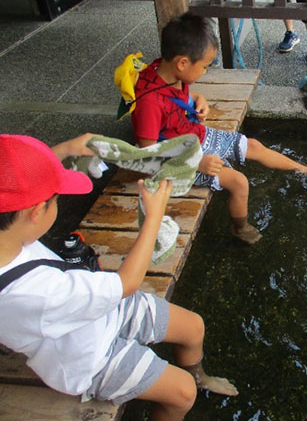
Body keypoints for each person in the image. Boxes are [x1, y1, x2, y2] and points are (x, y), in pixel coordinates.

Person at [0, 133, 238, 421]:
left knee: (193, 327)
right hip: (84, 356)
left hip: (93, 309)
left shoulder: (10, 235)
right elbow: (127, 283)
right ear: (37, 211)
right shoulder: (35, 292)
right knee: (183, 393)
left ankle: (200, 376)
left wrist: (63, 149)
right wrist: (154, 217)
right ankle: (191, 384)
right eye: (56, 199)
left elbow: (13, 177)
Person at [131, 13, 307, 245]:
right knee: (239, 182)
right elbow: (146, 155)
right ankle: (240, 228)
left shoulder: (165, 70)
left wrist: (197, 98)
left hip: (193, 136)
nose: (205, 71)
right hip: (180, 161)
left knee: (253, 145)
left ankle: (306, 170)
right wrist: (198, 163)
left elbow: (175, 96)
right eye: (204, 66)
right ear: (182, 63)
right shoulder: (149, 103)